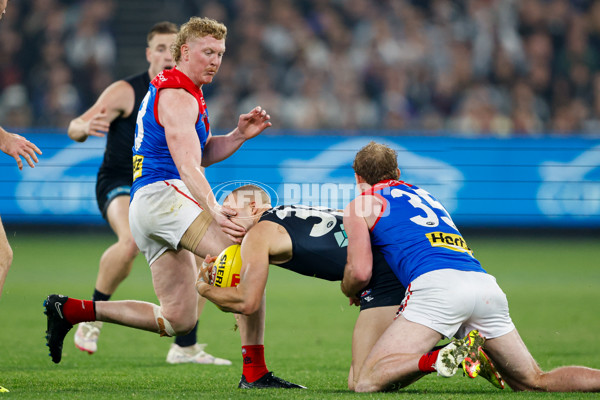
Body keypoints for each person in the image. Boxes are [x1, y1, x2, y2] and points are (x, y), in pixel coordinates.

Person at [44, 16, 300, 389]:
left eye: (220, 53)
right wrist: (212, 207)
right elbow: (185, 163)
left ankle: (71, 310)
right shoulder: (178, 93)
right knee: (249, 254)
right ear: (184, 52)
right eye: (207, 52)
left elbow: (200, 152)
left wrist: (237, 136)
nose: (215, 60)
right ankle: (255, 372)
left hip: (148, 206)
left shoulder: (183, 90)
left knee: (178, 319)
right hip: (164, 196)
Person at [340, 141, 600, 392]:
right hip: (484, 286)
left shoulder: (360, 204)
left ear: (357, 177)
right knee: (534, 380)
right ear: (398, 173)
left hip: (438, 289)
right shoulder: (427, 196)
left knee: (366, 381)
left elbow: (360, 272)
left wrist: (350, 289)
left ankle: (443, 356)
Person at [66, 21, 228, 365]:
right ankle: (91, 321)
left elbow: (199, 154)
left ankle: (185, 344)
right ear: (149, 53)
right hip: (120, 179)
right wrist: (82, 127)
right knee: (129, 242)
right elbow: (75, 125)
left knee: (198, 265)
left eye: (172, 47)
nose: (167, 54)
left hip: (159, 184)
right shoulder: (128, 90)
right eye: (160, 48)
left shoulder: (186, 92)